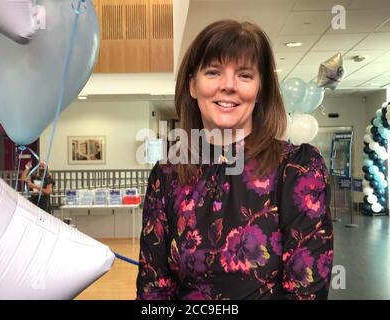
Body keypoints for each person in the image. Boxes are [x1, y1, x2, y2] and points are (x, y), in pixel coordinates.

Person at [136, 20, 333, 300]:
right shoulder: (167, 174)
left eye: (244, 75)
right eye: (213, 72)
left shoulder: (299, 170)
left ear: (261, 89)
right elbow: (154, 289)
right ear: (192, 85)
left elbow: (307, 293)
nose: (228, 86)